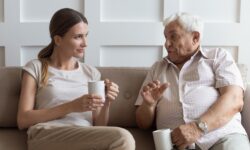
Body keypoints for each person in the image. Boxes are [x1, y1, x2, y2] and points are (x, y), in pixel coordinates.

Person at [17, 8, 135, 150]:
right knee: (123, 137)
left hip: (86, 137)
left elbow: (99, 126)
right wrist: (72, 106)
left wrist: (107, 101)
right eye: (78, 37)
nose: (85, 43)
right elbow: (23, 120)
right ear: (58, 40)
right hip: (46, 135)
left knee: (120, 139)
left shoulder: (91, 73)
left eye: (86, 35)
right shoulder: (36, 67)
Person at [135, 12, 250, 150]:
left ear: (195, 37)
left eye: (173, 36)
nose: (166, 44)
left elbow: (234, 99)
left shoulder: (218, 57)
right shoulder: (157, 68)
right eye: (165, 37)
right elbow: (142, 124)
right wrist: (148, 105)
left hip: (222, 138)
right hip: (174, 145)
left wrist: (197, 128)